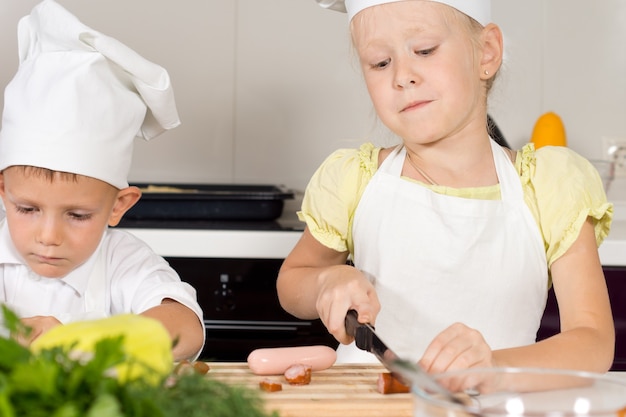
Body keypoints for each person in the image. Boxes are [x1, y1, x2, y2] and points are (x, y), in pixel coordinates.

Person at [277, 0, 615, 380]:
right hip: (366, 403)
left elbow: (593, 341)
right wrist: (326, 280)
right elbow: (293, 281)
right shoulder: (355, 179)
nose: (402, 76)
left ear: (486, 52)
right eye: (379, 62)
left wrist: (493, 368)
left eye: (424, 50)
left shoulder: (549, 187)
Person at [0, 0, 204, 361]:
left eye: (77, 215)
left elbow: (185, 326)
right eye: (28, 208)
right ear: (4, 192)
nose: (49, 236)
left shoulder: (122, 261)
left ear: (118, 205)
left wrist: (86, 341)